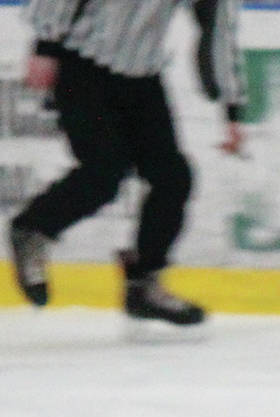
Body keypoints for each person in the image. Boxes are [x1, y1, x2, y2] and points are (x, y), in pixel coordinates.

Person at [7, 0, 245, 325]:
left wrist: (231, 108)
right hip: (81, 59)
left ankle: (143, 284)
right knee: (104, 171)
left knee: (173, 177)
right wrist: (45, 45)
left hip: (141, 74)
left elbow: (218, 30)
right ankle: (33, 229)